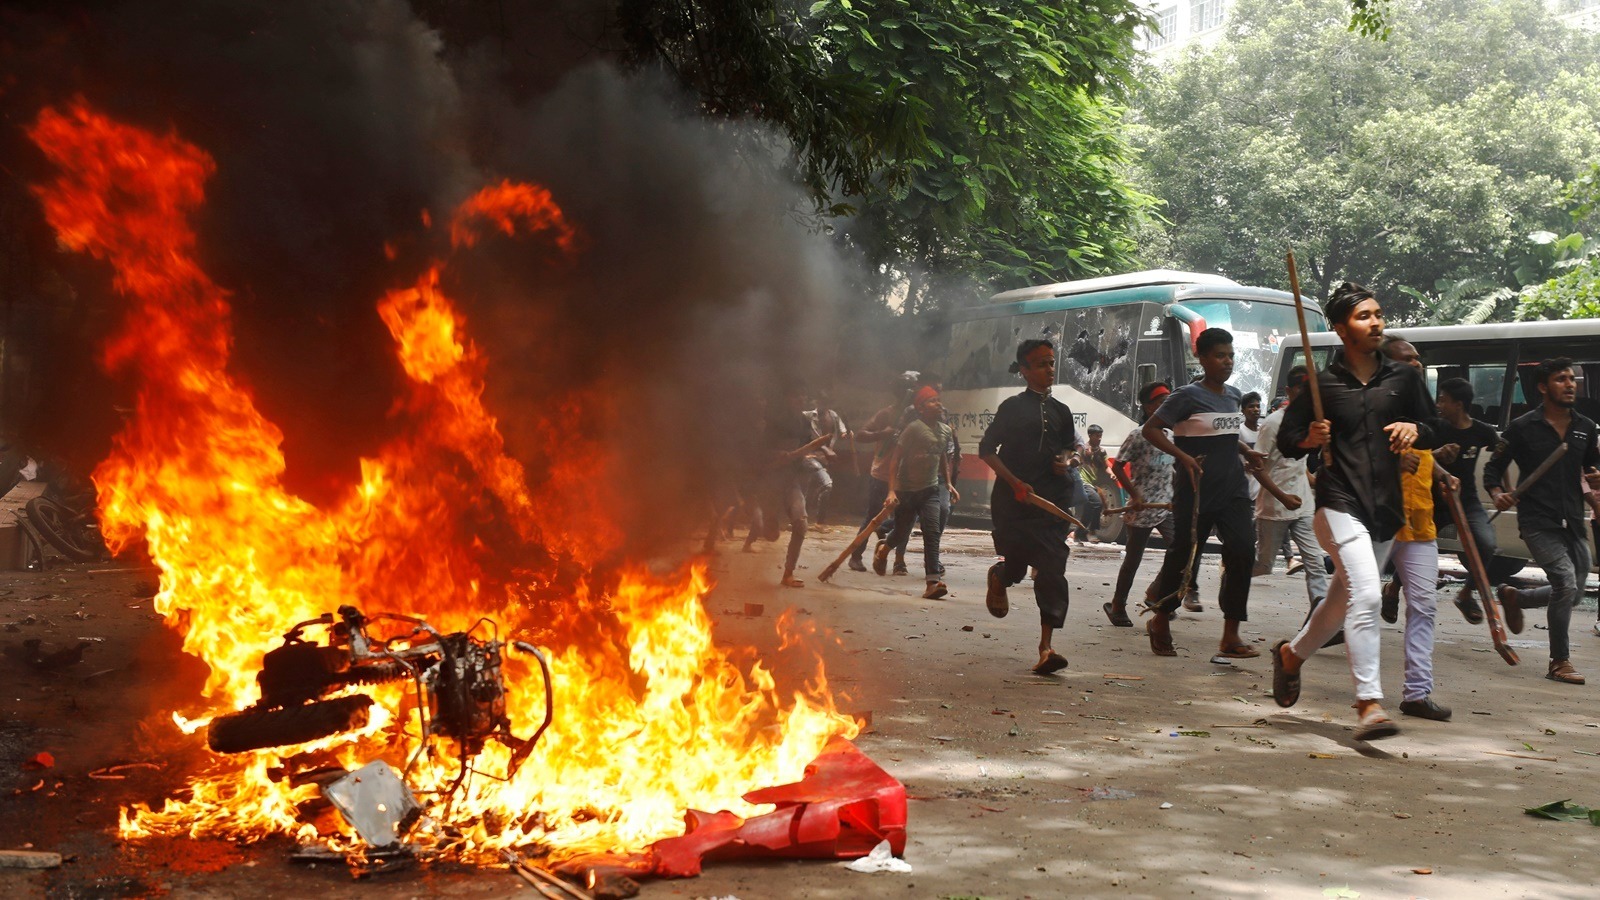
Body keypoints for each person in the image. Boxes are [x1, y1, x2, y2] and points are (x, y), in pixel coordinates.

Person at [1270, 282, 1437, 741]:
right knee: (1366, 595)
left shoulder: (1403, 379)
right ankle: (1369, 703)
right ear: (1342, 329)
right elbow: (1287, 440)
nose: (1376, 322)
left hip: (1386, 509)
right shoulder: (1321, 385)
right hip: (1338, 503)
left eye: (1378, 314)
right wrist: (1309, 438)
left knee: (1341, 600)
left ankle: (1291, 656)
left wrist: (1415, 428)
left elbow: (1435, 426)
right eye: (1365, 316)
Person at [1138, 328, 1259, 660]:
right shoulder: (1186, 396)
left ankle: (1231, 635)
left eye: (1231, 355)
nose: (1227, 361)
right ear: (1202, 358)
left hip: (1234, 489)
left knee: (1243, 551)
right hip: (1196, 491)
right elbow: (1151, 429)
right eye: (1220, 355)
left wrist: (1247, 451)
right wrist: (1183, 456)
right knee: (1183, 558)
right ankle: (1161, 619)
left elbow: (1225, 435)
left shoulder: (1234, 395)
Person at [1485, 357, 1600, 685]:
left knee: (1574, 592)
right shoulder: (1522, 427)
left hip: (1572, 520)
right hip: (1537, 520)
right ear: (1542, 387)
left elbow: (1591, 468)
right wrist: (1498, 493)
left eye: (1572, 378)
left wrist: (1596, 480)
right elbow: (1493, 469)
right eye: (1561, 379)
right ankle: (1559, 661)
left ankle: (1516, 597)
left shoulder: (1585, 427)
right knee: (1565, 583)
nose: (1570, 384)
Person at [978, 339, 1077, 675]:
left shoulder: (1062, 411)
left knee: (1052, 569)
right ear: (1024, 370)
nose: (1049, 369)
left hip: (1051, 504)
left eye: (1052, 362)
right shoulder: (1012, 408)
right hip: (1014, 503)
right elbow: (986, 450)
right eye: (1041, 364)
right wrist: (1015, 482)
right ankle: (1001, 575)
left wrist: (1066, 461)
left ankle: (1046, 648)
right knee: (1017, 568)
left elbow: (1069, 449)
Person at [1374, 335, 1452, 721]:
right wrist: (1389, 464)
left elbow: (1422, 453)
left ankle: (1417, 694)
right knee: (1353, 602)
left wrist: (1441, 472)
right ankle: (1297, 652)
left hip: (1420, 522)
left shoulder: (1422, 410)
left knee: (1424, 605)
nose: (1417, 365)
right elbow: (1341, 459)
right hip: (1377, 520)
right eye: (1409, 359)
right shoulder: (1370, 403)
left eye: (1419, 359)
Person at [1252, 367, 1327, 612]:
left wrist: (1314, 481)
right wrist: (1283, 497)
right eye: (1301, 389)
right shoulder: (1273, 423)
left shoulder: (1311, 422)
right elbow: (1258, 468)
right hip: (1274, 507)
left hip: (1303, 505)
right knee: (1264, 565)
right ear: (1288, 391)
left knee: (1315, 562)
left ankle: (1320, 614)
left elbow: (1298, 462)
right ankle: (1234, 574)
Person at [1106, 381, 1176, 627]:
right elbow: (1117, 466)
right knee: (1133, 560)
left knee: (1179, 551)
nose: (1167, 407)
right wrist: (1134, 495)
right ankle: (1117, 605)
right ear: (1148, 407)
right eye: (1161, 402)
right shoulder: (1138, 435)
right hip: (1142, 508)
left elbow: (1171, 468)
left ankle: (1156, 592)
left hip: (1166, 507)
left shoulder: (1171, 435)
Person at [1430, 377, 1496, 624]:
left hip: (1467, 499)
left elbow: (1502, 454)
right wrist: (1437, 455)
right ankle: (1392, 589)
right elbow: (1418, 455)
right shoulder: (1435, 428)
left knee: (1487, 545)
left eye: (1443, 400)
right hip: (1434, 501)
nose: (1438, 405)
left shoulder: (1482, 431)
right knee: (1414, 549)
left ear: (1458, 404)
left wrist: (1503, 489)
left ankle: (1466, 594)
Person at [883, 386, 960, 599]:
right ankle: (884, 548)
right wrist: (891, 491)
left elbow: (941, 455)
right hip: (907, 490)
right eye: (932, 401)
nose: (938, 403)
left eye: (938, 400)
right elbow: (895, 459)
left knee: (932, 532)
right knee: (901, 532)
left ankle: (932, 582)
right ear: (921, 408)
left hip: (930, 489)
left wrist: (948, 483)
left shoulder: (945, 430)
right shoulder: (913, 429)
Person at [847, 374, 916, 572]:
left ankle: (896, 557)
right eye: (908, 390)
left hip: (906, 477)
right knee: (873, 516)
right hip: (882, 474)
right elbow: (860, 435)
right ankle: (856, 556)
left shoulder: (917, 416)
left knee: (906, 518)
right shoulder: (887, 414)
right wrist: (882, 433)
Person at [1072, 425, 1109, 543]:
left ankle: (1079, 533)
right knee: (1097, 503)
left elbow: (1107, 466)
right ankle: (1092, 531)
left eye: (1100, 436)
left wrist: (1113, 474)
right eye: (1097, 436)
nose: (1099, 438)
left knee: (1089, 508)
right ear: (1090, 435)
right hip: (1083, 481)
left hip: (1093, 483)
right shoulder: (1084, 449)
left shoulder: (1101, 451)